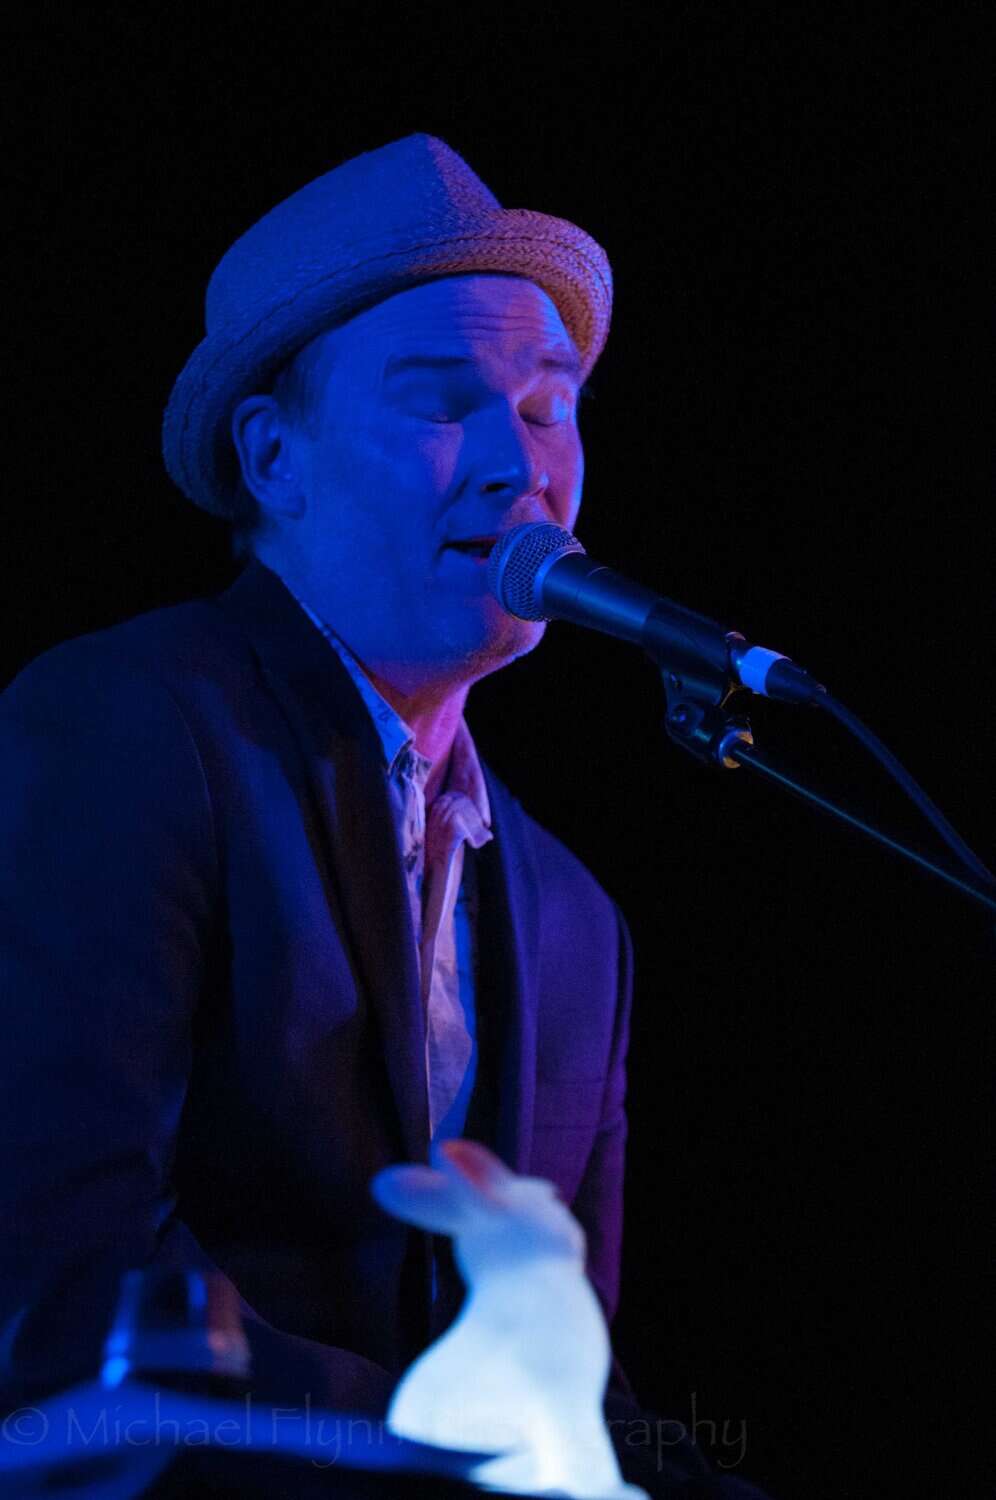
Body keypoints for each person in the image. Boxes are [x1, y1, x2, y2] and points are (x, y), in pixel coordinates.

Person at [0, 133, 771, 1497]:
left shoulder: (574, 920)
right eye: (441, 402)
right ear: (273, 457)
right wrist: (471, 1459)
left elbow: (574, 1386)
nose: (520, 463)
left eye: (548, 405)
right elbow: (67, 1282)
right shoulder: (129, 726)